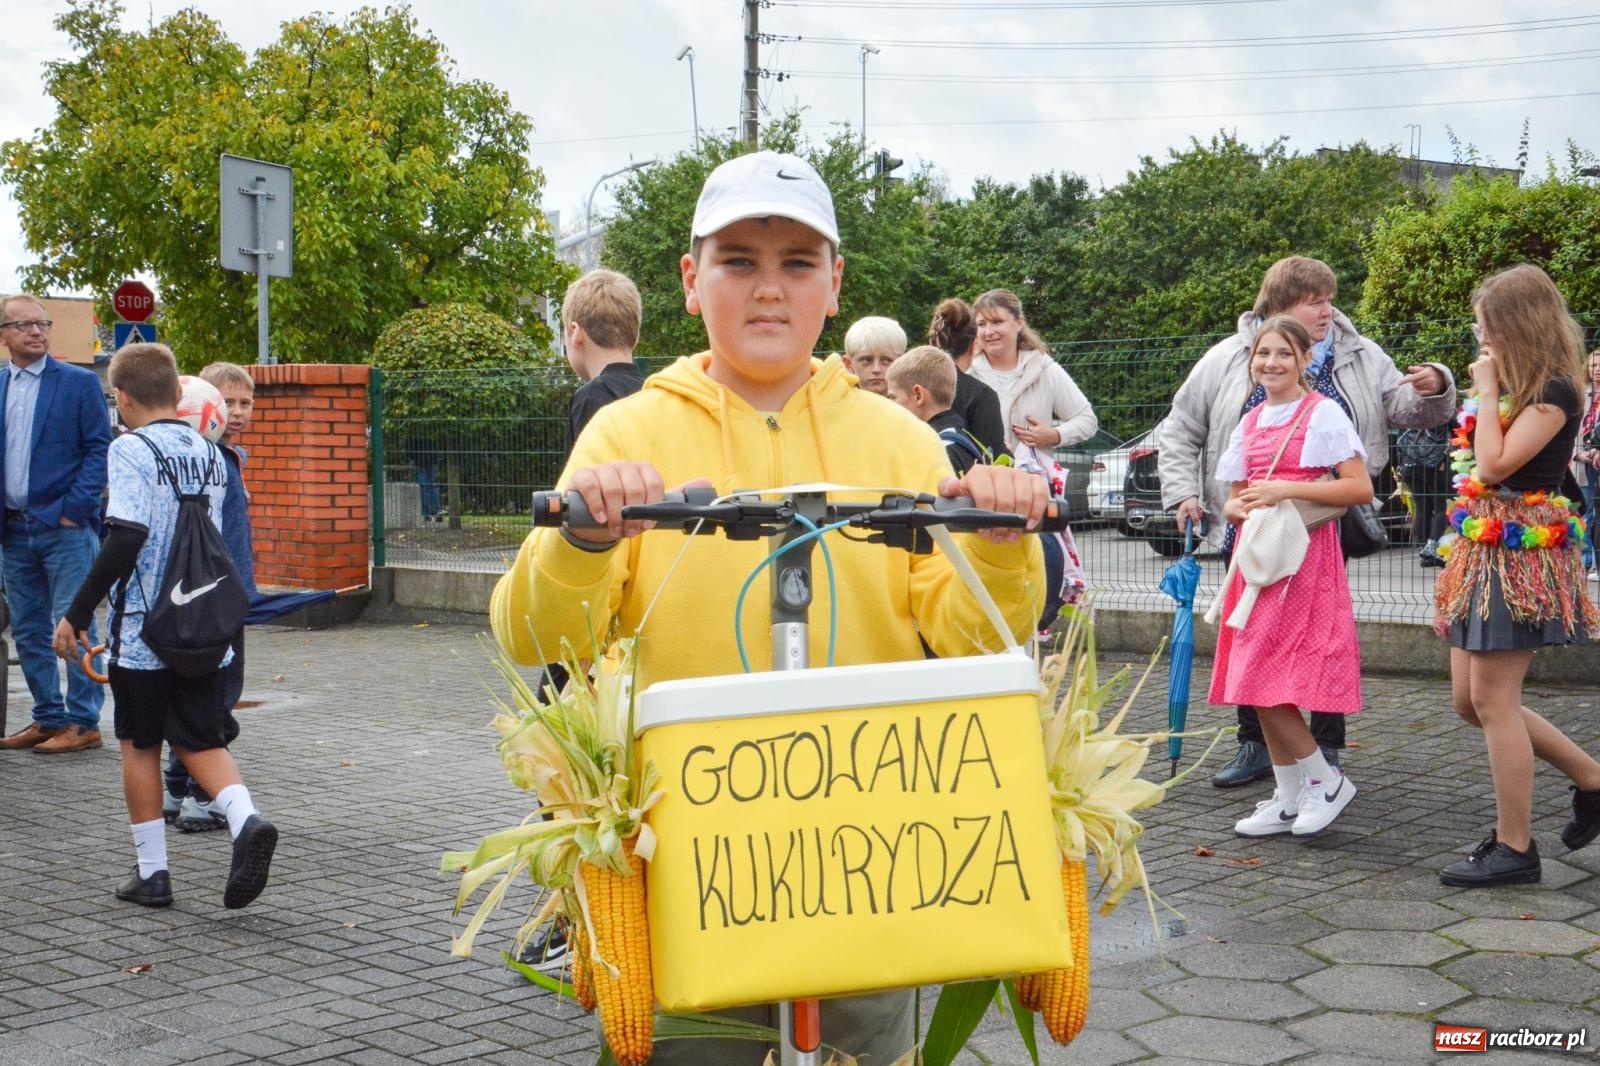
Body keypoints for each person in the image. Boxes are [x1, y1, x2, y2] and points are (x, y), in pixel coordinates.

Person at [490, 150, 1046, 1066]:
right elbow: (534, 633)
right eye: (738, 261)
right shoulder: (628, 432)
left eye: (797, 262)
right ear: (690, 280)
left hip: (870, 845)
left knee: (865, 1046)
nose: (769, 289)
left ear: (835, 282)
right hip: (687, 852)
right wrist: (584, 541)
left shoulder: (900, 441)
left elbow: (974, 633)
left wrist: (997, 545)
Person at [1159, 256, 1457, 788]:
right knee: (1251, 634)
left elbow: (1408, 409)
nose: (1327, 310)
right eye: (1315, 301)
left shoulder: (1359, 353)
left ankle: (1325, 750)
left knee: (1319, 637)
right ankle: (1257, 745)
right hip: (1251, 527)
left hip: (1324, 522)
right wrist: (1185, 493)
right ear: (1281, 305)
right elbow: (1181, 429)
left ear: (1300, 359)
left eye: (1329, 300)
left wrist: (1436, 386)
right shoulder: (1226, 358)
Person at [52, 342, 278, 909]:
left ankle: (152, 873)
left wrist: (77, 613)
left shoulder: (131, 449)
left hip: (144, 630)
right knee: (200, 736)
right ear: (179, 392)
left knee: (140, 742)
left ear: (121, 398)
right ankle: (245, 819)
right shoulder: (211, 450)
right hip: (204, 623)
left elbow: (126, 535)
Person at [1433, 266, 1600, 886]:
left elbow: (1495, 465)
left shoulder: (1555, 391)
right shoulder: (1516, 386)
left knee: (1493, 701)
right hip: (1481, 546)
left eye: (1487, 326)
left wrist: (1483, 391)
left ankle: (1515, 848)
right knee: (1468, 701)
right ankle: (1592, 781)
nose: (1481, 337)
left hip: (1519, 556)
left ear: (1517, 324)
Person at [517, 267, 648, 973]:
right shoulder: (654, 395)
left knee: (560, 756)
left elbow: (582, 511)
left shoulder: (594, 401)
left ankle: (578, 918)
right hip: (641, 603)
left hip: (596, 601)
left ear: (574, 334)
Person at [1209, 316, 1370, 837]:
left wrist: (1285, 489)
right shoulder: (1251, 420)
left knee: (1260, 673)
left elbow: (1359, 488)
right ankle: (1288, 794)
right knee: (1255, 675)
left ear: (1304, 360)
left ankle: (1325, 781)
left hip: (1304, 559)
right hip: (1259, 561)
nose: (1271, 363)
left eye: (1283, 353)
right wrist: (1238, 508)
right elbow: (1234, 498)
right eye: (1263, 353)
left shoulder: (1322, 413)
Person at [0, 294, 112, 754]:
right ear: (4, 334)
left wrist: (75, 510)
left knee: (76, 623)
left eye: (42, 323)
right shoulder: (0, 384)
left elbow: (100, 448)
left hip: (64, 528)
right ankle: (49, 716)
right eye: (24, 325)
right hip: (12, 528)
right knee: (28, 629)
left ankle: (84, 723)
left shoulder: (78, 383)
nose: (36, 331)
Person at [164, 361, 259, 831]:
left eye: (245, 403)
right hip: (214, 599)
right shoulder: (209, 459)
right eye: (226, 403)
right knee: (217, 696)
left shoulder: (225, 456)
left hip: (213, 596)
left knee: (194, 695)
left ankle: (175, 788)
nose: (236, 412)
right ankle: (204, 799)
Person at [968, 288, 1095, 629]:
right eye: (981, 324)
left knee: (1034, 580)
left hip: (1031, 496)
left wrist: (1053, 435)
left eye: (997, 322)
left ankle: (1032, 634)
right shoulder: (967, 372)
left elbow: (1086, 419)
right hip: (983, 496)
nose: (988, 331)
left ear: (1018, 323)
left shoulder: (1043, 369)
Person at [562, 268, 646, 454]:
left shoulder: (592, 397)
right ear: (636, 335)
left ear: (575, 333)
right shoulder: (653, 392)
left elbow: (587, 469)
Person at [926, 297, 1007, 459]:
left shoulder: (909, 384)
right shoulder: (981, 395)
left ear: (933, 341)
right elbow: (994, 460)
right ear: (973, 345)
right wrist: (1008, 451)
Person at [886, 344, 984, 473]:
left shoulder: (935, 454)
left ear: (918, 395)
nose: (889, 406)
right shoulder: (965, 439)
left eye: (893, 398)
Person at [1397, 419, 1454, 568]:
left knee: (1422, 508)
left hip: (1410, 465)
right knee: (1441, 507)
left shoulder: (1410, 412)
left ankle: (1424, 548)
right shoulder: (1440, 412)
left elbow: (1400, 438)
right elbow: (1455, 431)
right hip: (1434, 465)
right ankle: (1433, 546)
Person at [1572, 349, 1600, 578]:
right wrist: (1577, 453)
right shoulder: (1580, 394)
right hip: (1581, 460)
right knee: (1584, 509)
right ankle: (1585, 559)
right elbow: (1571, 427)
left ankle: (1594, 561)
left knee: (1596, 511)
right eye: (1593, 365)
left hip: (1597, 457)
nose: (1597, 370)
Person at [840, 315, 905, 396]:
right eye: (867, 360)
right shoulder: (835, 402)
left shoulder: (915, 402)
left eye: (886, 360)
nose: (876, 369)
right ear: (848, 364)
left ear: (902, 363)